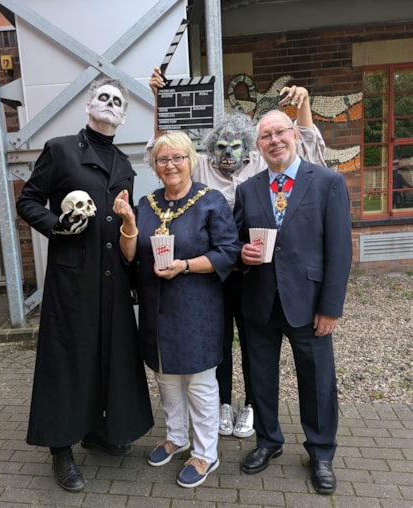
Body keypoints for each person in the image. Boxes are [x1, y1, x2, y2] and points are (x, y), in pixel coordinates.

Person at [147, 67, 327, 440]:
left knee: (251, 342)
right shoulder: (199, 172)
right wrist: (159, 101)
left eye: (236, 145)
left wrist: (304, 106)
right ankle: (223, 404)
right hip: (211, 271)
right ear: (209, 149)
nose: (228, 152)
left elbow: (308, 151)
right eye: (221, 146)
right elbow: (164, 149)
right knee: (218, 339)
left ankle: (249, 407)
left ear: (249, 147)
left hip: (252, 272)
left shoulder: (262, 165)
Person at [16, 77, 154, 492]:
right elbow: (28, 201)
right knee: (67, 358)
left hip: (113, 276)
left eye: (118, 101)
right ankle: (60, 447)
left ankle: (98, 429)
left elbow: (122, 220)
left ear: (124, 115)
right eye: (103, 97)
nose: (110, 104)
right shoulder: (61, 150)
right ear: (89, 106)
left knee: (108, 354)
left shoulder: (125, 165)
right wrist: (57, 226)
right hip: (73, 276)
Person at [233, 109, 352, 495]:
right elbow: (233, 241)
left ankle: (320, 453)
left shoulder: (328, 182)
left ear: (295, 136)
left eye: (280, 132)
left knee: (318, 383)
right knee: (261, 379)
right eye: (265, 136)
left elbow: (339, 251)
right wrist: (240, 254)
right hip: (260, 303)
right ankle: (267, 441)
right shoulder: (247, 189)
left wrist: (331, 308)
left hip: (309, 303)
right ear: (258, 145)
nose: (273, 141)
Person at [113, 130, 240, 488]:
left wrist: (184, 265)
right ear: (155, 166)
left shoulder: (210, 200)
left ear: (191, 161)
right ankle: (177, 436)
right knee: (165, 375)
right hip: (155, 307)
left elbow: (228, 252)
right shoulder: (146, 203)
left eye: (177, 158)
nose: (170, 165)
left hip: (196, 308)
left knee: (198, 381)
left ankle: (205, 452)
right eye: (163, 159)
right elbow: (130, 255)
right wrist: (128, 224)